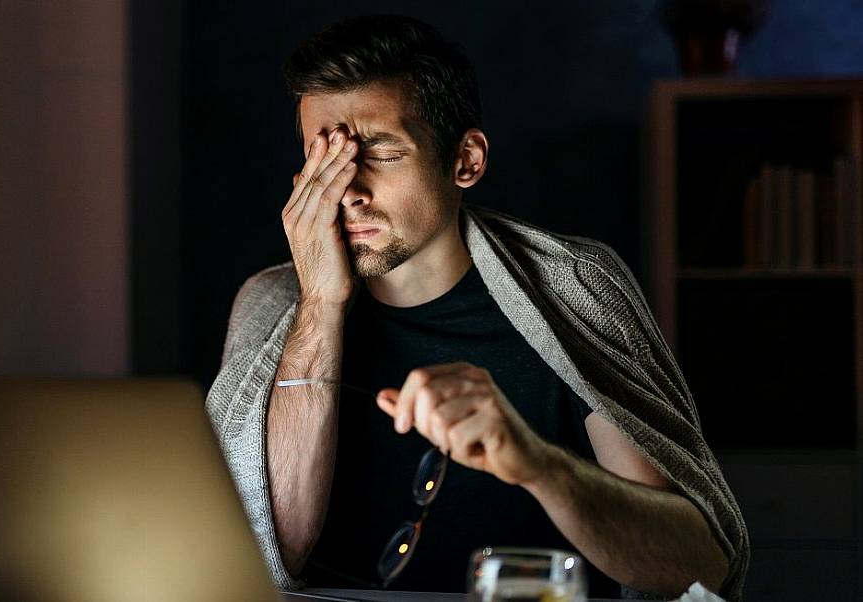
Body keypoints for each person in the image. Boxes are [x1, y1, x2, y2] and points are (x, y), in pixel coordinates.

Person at [205, 14, 748, 600]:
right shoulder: (272, 306)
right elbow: (263, 552)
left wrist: (539, 464)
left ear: (466, 160)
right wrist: (321, 303)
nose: (349, 192)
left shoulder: (573, 290)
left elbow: (700, 567)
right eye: (325, 163)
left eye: (380, 154)